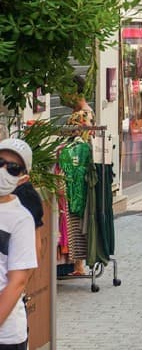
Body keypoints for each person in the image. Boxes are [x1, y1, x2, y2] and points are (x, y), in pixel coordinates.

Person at [0, 138, 37, 350]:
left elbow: (17, 283)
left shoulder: (21, 219)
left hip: (5, 336)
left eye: (13, 168)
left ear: (22, 178)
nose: (3, 171)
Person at [62, 74, 93, 276]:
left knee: (74, 214)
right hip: (83, 169)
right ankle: (77, 263)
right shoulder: (87, 111)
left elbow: (73, 144)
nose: (62, 97)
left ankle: (78, 264)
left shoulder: (80, 116)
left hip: (75, 170)